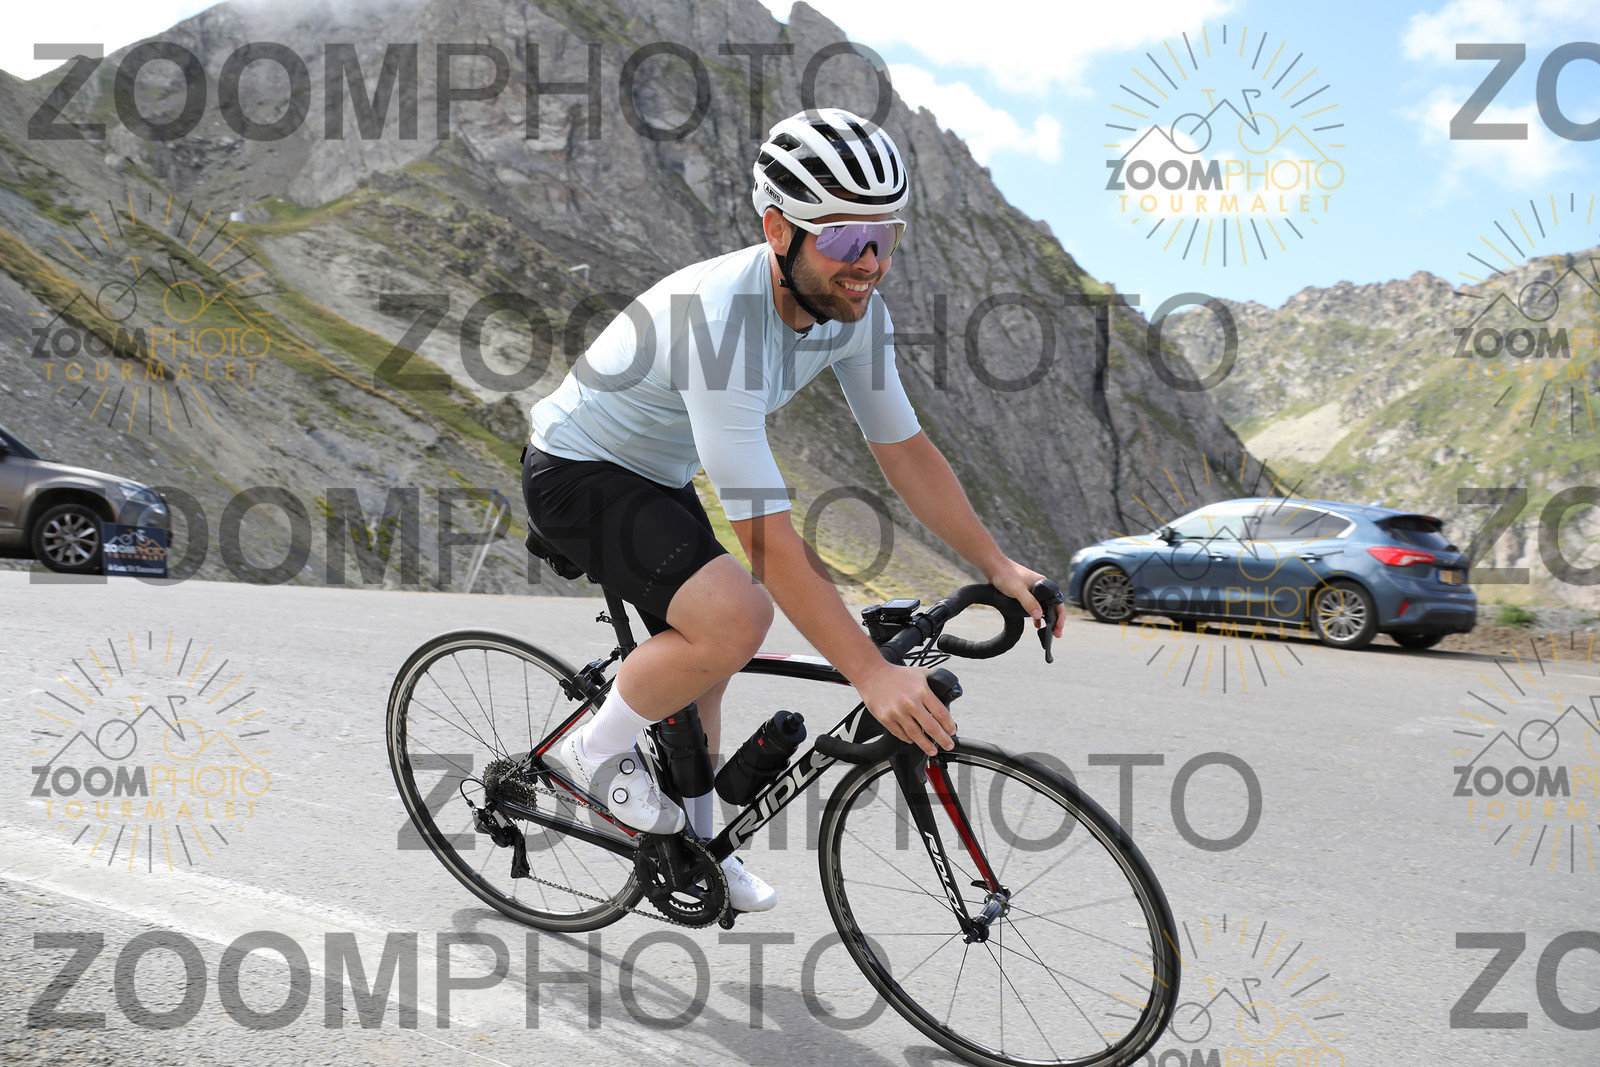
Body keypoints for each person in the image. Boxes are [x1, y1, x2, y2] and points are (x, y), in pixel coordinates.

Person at [524, 107, 1064, 913]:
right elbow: (769, 542)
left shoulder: (855, 312)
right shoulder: (720, 322)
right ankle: (590, 754)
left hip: (657, 474)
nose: (869, 263)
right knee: (737, 618)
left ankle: (697, 844)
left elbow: (904, 450)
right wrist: (871, 672)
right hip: (576, 470)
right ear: (779, 229)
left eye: (885, 236)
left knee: (705, 671)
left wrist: (996, 563)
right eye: (846, 238)